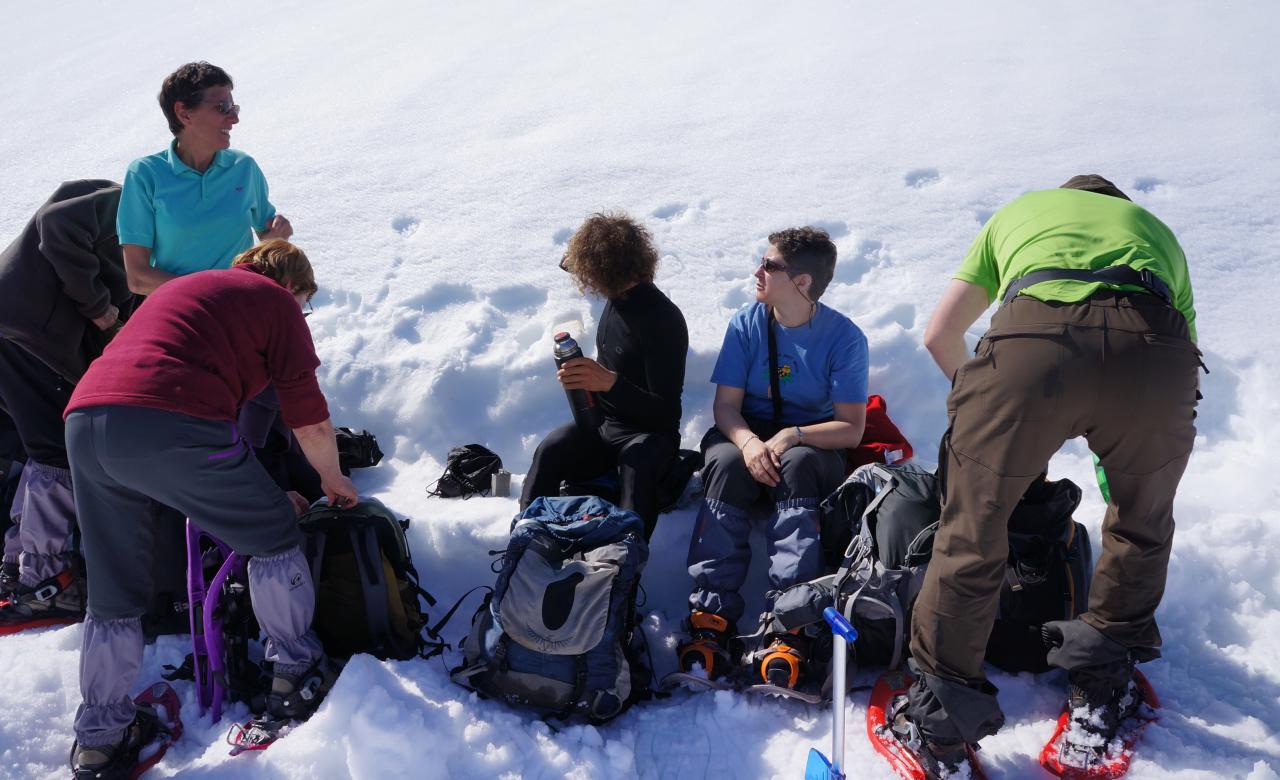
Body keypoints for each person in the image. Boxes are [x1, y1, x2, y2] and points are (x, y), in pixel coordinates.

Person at [892, 175, 1200, 777]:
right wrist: (1124, 489)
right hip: (1153, 351)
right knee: (1142, 525)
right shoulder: (1157, 234)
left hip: (1031, 343)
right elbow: (1182, 359)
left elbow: (940, 335)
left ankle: (940, 726)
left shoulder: (1021, 211)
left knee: (972, 531)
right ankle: (1100, 693)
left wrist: (998, 422)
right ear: (1118, 206)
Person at [64, 240, 356, 777]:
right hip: (172, 417)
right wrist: (331, 480)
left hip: (86, 422)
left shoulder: (185, 291)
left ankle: (101, 735)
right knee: (272, 534)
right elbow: (308, 420)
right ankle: (296, 669)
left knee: (114, 589)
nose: (303, 310)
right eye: (305, 301)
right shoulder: (276, 304)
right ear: (293, 287)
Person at [680, 227, 867, 688]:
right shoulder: (747, 323)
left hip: (812, 446)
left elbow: (851, 428)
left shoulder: (844, 338)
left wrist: (792, 435)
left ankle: (790, 623)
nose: (757, 272)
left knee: (798, 464)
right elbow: (726, 407)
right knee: (722, 463)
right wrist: (748, 443)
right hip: (745, 437)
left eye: (769, 265)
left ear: (802, 282)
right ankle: (711, 619)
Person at [0, 180, 137, 628]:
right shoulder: (140, 201)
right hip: (30, 336)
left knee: (37, 445)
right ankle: (47, 581)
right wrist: (99, 307)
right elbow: (57, 225)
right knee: (56, 450)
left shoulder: (129, 214)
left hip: (20, 330)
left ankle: (21, 567)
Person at [519, 212, 687, 539]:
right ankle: (526, 540)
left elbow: (666, 412)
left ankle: (623, 567)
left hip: (648, 439)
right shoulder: (616, 301)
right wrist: (583, 379)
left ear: (608, 270)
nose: (581, 278)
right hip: (604, 427)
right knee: (552, 448)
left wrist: (608, 383)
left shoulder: (662, 319)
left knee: (637, 462)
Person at [118, 61, 292, 294]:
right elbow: (138, 278)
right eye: (222, 107)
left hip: (240, 305)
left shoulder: (244, 168)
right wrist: (212, 292)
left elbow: (268, 243)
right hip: (180, 314)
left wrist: (277, 237)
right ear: (184, 114)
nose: (234, 118)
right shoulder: (145, 175)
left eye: (234, 108)